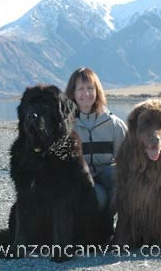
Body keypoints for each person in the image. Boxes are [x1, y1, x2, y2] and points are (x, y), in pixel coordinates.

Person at [65, 67, 127, 213]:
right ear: (72, 93)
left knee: (117, 174)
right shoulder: (65, 126)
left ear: (97, 91)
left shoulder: (114, 124)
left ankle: (114, 226)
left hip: (106, 179)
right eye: (80, 89)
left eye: (90, 88)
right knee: (96, 197)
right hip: (80, 182)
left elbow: (128, 160)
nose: (86, 93)